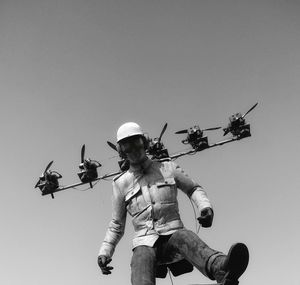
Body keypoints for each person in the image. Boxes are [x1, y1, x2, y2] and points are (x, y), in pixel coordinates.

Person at [98, 122, 249, 285]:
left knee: (184, 236)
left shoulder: (168, 168)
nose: (133, 150)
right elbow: (116, 224)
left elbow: (193, 188)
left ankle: (221, 268)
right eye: (127, 147)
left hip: (173, 236)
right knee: (140, 257)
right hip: (145, 242)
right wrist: (105, 252)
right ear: (121, 152)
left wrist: (205, 206)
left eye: (137, 143)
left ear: (145, 143)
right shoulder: (121, 183)